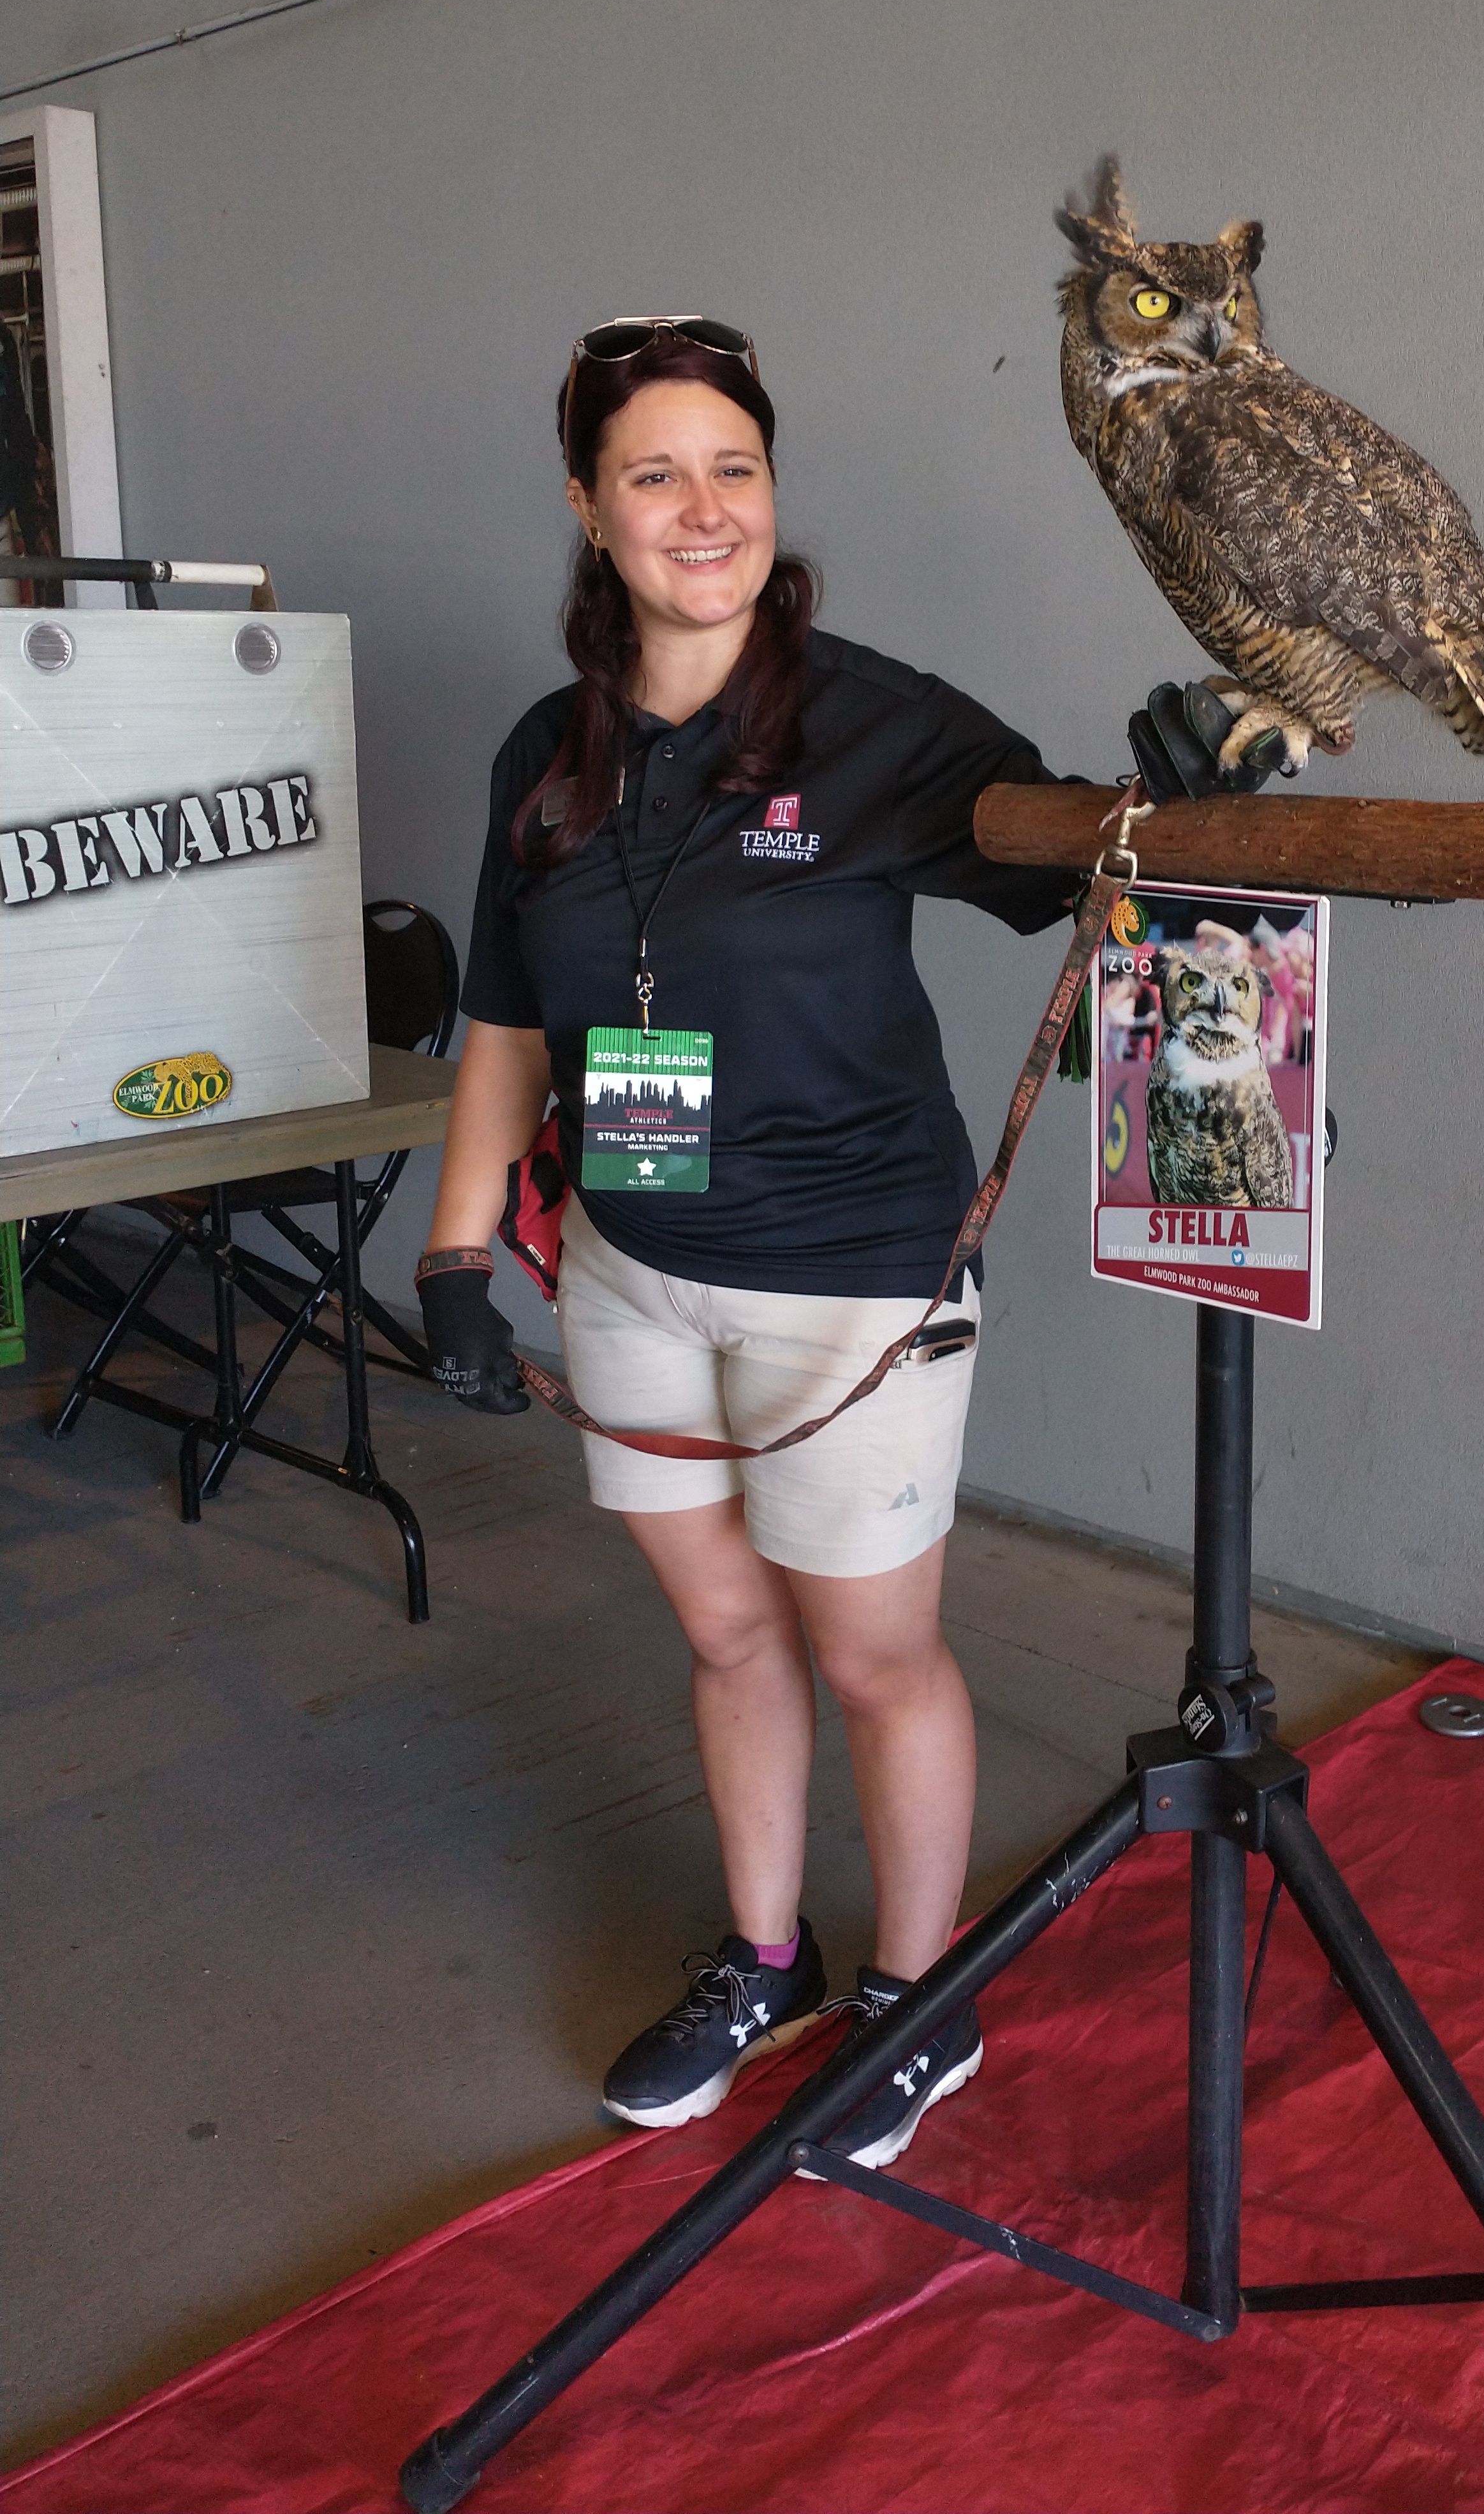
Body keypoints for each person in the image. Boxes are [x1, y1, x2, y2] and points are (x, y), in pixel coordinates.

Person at [415, 316, 1080, 2170]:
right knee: (727, 1640)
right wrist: (458, 1256)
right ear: (587, 506)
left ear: (772, 491)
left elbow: (1089, 882)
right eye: (654, 472)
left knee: (876, 1655)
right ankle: (770, 1958)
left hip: (852, 1276)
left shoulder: (885, 728)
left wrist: (1177, 804)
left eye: (734, 467)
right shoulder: (548, 756)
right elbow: (508, 1024)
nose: (701, 509)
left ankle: (915, 2000)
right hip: (628, 1267)